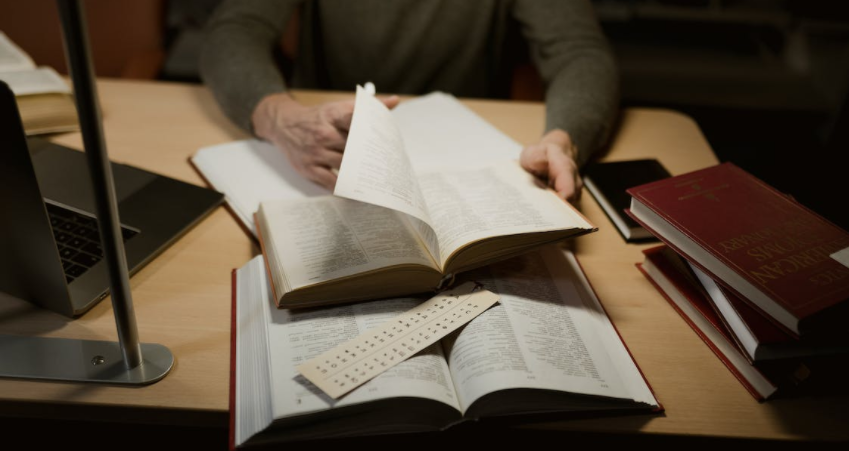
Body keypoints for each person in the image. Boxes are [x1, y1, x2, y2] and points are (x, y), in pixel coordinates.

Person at [200, 0, 618, 202]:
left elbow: (579, 51)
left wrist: (564, 139)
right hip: (322, 160)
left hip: (467, 166)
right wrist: (280, 118)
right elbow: (233, 31)